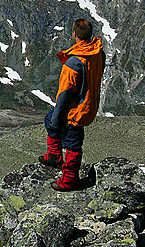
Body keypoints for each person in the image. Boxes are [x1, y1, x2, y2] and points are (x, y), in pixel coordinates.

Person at [38, 18, 106, 191]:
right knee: (50, 120)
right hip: (90, 104)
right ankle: (53, 156)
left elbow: (65, 93)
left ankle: (69, 179)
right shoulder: (98, 53)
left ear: (74, 34)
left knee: (71, 140)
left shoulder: (74, 63)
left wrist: (58, 115)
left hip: (76, 109)